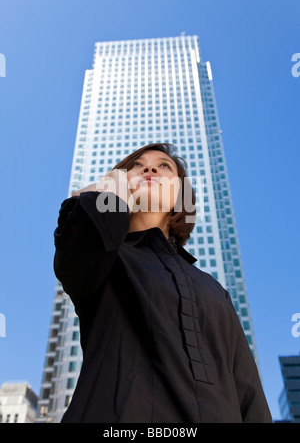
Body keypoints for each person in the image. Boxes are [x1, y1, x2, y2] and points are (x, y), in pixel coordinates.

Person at [54, 142, 272, 423]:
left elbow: (249, 392)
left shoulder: (215, 291)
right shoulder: (104, 256)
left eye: (164, 166)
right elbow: (81, 232)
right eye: (136, 165)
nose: (149, 167)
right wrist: (112, 188)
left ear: (181, 197)